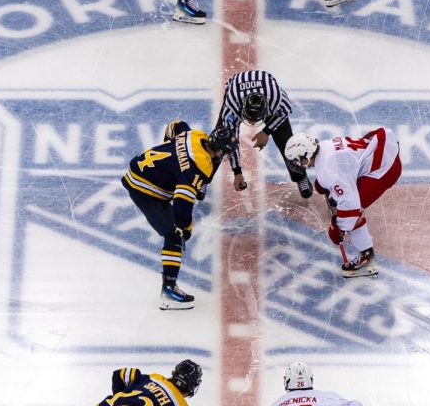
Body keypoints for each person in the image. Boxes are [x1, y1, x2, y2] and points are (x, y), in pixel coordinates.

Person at [122, 124, 235, 308]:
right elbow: (182, 204)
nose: (225, 157)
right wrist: (185, 228)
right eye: (225, 152)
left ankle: (169, 286)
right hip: (143, 189)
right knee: (175, 236)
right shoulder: (199, 166)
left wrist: (172, 163)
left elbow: (174, 126)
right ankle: (168, 289)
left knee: (177, 228)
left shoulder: (196, 135)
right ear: (219, 149)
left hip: (140, 167)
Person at [283, 128, 401, 278]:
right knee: (345, 203)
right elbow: (343, 166)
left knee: (353, 210)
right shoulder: (325, 147)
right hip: (381, 153)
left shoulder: (328, 171)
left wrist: (338, 227)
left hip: (384, 169)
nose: (296, 164)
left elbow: (351, 207)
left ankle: (366, 257)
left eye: (296, 160)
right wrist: (327, 186)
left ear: (306, 155)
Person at [215, 69, 313, 199]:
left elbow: (284, 112)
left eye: (255, 120)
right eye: (249, 119)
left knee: (287, 143)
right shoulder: (232, 102)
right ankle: (203, 177)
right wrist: (237, 172)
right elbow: (231, 141)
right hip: (238, 92)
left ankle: (300, 176)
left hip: (266, 92)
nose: (250, 122)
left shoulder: (275, 99)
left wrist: (266, 132)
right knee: (220, 140)